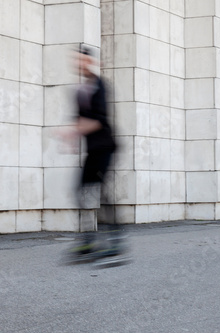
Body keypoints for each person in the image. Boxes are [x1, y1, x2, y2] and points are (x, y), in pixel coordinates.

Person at [63, 46, 125, 262]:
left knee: (101, 194)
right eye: (76, 61)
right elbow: (78, 118)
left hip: (106, 147)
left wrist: (73, 131)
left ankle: (116, 242)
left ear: (90, 63)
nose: (79, 64)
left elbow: (99, 120)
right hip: (92, 150)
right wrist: (72, 136)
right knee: (79, 190)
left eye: (82, 61)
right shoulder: (80, 90)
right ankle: (89, 241)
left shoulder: (100, 86)